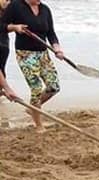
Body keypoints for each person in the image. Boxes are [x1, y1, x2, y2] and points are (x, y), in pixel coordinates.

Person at [3, 0, 63, 132]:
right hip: (25, 54)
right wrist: (14, 27)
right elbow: (2, 26)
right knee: (36, 88)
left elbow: (51, 33)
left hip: (43, 53)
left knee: (54, 86)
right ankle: (38, 125)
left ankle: (32, 108)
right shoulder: (16, 6)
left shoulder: (45, 9)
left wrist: (57, 48)